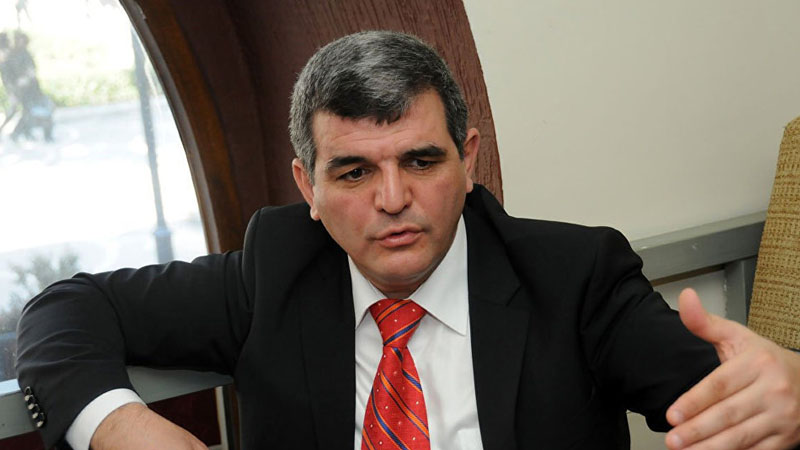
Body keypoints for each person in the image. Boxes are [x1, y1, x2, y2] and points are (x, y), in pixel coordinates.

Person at [15, 31, 800, 450]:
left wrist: (792, 394)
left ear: (468, 159)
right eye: (354, 171)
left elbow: (734, 401)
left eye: (421, 161)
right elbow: (61, 312)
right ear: (307, 187)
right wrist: (121, 426)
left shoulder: (573, 277)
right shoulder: (275, 270)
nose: (393, 200)